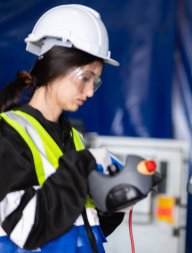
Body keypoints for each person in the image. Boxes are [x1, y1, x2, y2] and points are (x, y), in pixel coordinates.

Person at [0, 4, 124, 253]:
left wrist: (114, 202)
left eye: (95, 82)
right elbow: (26, 228)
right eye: (86, 77)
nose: (90, 91)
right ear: (57, 65)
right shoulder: (8, 134)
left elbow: (83, 225)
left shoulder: (75, 138)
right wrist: (82, 165)